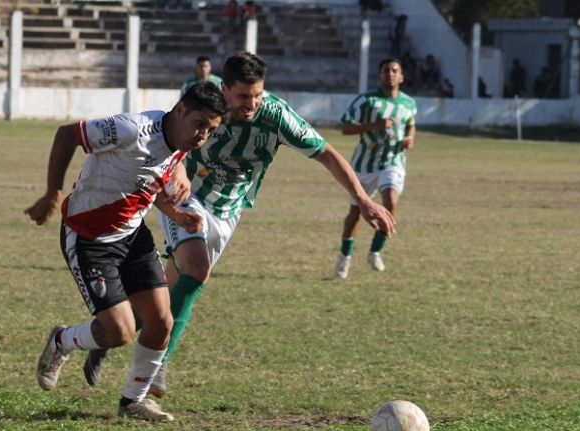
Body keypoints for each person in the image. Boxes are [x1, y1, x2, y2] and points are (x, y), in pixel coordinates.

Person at [83, 52, 395, 398]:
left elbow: (326, 153)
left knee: (167, 294)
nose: (252, 103)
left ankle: (105, 335)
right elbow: (174, 141)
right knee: (197, 269)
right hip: (188, 198)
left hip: (229, 211)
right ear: (225, 89)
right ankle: (156, 368)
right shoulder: (207, 104)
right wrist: (180, 173)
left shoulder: (276, 115)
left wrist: (364, 200)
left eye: (257, 95)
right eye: (244, 96)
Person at [26, 82, 227, 421]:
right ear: (179, 110)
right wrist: (51, 193)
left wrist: (177, 215)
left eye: (210, 130)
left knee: (161, 322)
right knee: (118, 332)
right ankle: (62, 340)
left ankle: (133, 401)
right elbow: (67, 134)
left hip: (133, 237)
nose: (202, 135)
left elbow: (148, 182)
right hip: (89, 239)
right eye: (199, 124)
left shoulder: (179, 141)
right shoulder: (132, 129)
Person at [333, 58, 416, 279]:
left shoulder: (409, 103)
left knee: (390, 200)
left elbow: (410, 123)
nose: (390, 74)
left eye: (394, 70)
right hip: (364, 164)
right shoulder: (366, 101)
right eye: (386, 70)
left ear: (401, 77)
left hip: (393, 161)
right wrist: (374, 126)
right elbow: (345, 128)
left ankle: (375, 250)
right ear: (380, 76)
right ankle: (345, 257)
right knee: (355, 213)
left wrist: (410, 138)